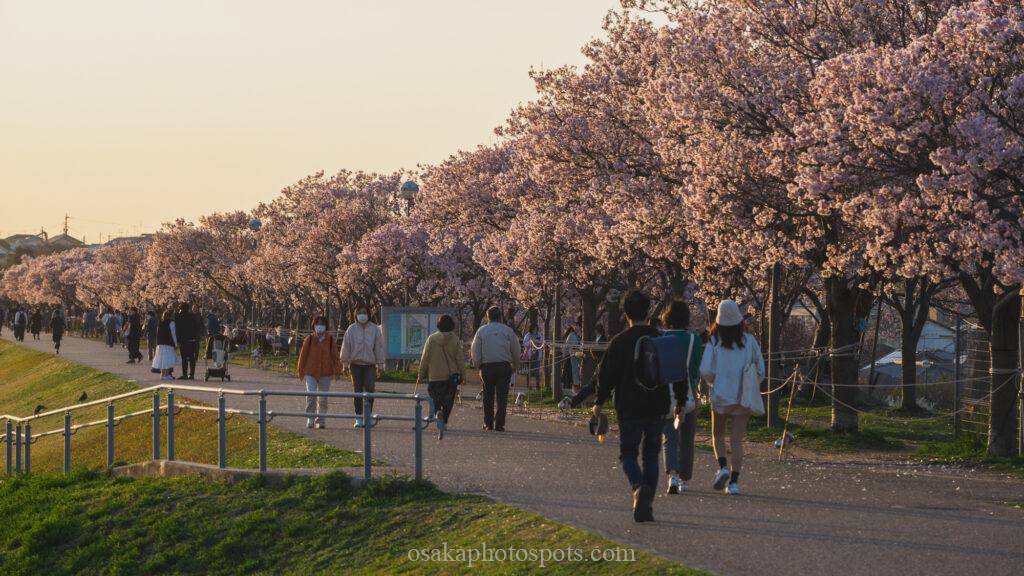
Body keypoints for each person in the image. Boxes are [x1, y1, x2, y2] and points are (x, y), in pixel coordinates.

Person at [593, 289, 665, 523]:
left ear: (626, 314)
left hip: (629, 406)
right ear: (649, 311)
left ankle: (637, 487)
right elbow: (676, 373)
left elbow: (606, 377)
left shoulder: (620, 342)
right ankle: (647, 503)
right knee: (652, 455)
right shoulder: (661, 338)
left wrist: (599, 402)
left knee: (628, 454)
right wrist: (680, 402)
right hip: (657, 405)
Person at [700, 299, 765, 496]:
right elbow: (760, 368)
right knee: (737, 440)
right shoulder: (749, 340)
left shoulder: (714, 341)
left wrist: (713, 382)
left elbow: (705, 369)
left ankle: (722, 467)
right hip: (742, 396)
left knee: (717, 434)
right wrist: (752, 384)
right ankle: (734, 483)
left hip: (721, 394)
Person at [660, 300, 704, 495]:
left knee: (669, 436)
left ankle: (672, 475)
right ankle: (685, 479)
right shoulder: (694, 340)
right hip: (689, 391)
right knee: (687, 436)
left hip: (665, 391)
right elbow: (696, 367)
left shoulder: (660, 337)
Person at [469, 306, 520, 432]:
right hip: (503, 366)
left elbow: (475, 350)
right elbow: (516, 349)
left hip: (487, 367)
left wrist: (478, 364)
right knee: (502, 397)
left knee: (488, 396)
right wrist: (515, 365)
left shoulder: (482, 331)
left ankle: (488, 423)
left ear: (488, 317)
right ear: (500, 316)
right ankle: (500, 424)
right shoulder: (508, 331)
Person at [340, 306, 385, 428]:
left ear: (368, 314)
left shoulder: (375, 329)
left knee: (370, 390)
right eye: (360, 313)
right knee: (357, 390)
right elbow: (346, 346)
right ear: (355, 314)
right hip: (355, 364)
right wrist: (344, 363)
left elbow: (379, 347)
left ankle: (368, 416)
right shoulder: (351, 329)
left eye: (364, 312)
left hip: (370, 364)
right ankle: (358, 417)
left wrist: (380, 364)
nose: (362, 315)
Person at [416, 314, 465, 425]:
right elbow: (460, 359)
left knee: (436, 400)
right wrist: (463, 374)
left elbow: (425, 358)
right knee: (448, 401)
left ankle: (438, 413)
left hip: (434, 376)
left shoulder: (431, 339)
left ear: (439, 325)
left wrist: (420, 374)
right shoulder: (455, 340)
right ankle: (444, 419)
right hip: (450, 377)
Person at [297, 316, 342, 429]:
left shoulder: (330, 340)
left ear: (326, 326)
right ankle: (310, 418)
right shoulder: (309, 339)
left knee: (323, 398)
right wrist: (300, 370)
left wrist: (338, 370)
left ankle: (321, 419)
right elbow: (303, 356)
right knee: (311, 396)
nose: (320, 326)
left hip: (326, 373)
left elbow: (335, 356)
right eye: (318, 324)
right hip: (310, 372)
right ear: (314, 326)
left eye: (322, 324)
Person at [175, 303, 200, 380]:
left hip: (183, 340)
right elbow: (196, 327)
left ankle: (184, 374)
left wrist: (178, 340)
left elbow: (177, 329)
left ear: (181, 309)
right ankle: (191, 374)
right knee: (191, 357)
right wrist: (195, 336)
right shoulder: (192, 316)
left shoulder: (179, 317)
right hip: (191, 339)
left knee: (184, 358)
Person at [152, 309, 178, 380]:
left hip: (160, 343)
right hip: (168, 343)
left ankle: (162, 374)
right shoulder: (171, 322)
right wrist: (176, 343)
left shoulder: (160, 322)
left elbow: (157, 333)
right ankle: (166, 374)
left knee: (162, 359)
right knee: (168, 359)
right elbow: (173, 334)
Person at [564, 324, 581, 390]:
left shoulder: (577, 336)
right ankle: (576, 385)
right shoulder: (571, 336)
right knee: (575, 370)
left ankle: (577, 384)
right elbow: (568, 346)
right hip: (573, 354)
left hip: (577, 353)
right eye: (576, 327)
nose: (577, 329)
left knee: (577, 370)